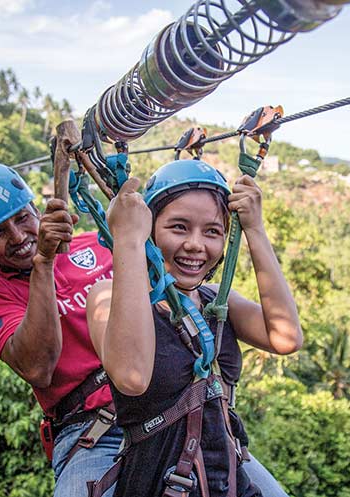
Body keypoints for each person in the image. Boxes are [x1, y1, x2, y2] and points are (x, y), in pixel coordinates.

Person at [0, 161, 294, 497]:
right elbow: (38, 367)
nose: (18, 235)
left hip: (177, 405)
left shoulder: (96, 245)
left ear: (34, 210)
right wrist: (44, 263)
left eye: (23, 218)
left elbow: (164, 266)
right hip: (93, 429)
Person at [86, 159, 303, 497]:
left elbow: (286, 337)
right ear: (151, 229)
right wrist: (128, 239)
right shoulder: (108, 296)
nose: (195, 245)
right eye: (178, 227)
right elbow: (131, 375)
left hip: (227, 478)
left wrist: (255, 230)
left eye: (212, 232)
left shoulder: (217, 300)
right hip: (157, 485)